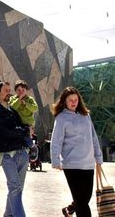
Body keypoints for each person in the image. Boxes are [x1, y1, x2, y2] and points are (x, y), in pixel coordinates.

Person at [50, 87, 103, 217]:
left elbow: (93, 137)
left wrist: (98, 157)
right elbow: (56, 140)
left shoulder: (86, 116)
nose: (73, 102)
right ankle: (74, 209)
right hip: (72, 165)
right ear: (65, 101)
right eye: (70, 100)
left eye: (76, 100)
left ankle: (69, 210)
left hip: (88, 164)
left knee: (84, 199)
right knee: (82, 204)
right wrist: (55, 160)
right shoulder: (61, 118)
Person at [0, 81, 29, 217]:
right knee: (15, 188)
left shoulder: (12, 109)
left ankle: (8, 215)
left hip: (21, 153)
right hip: (7, 155)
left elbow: (22, 125)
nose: (9, 93)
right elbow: (8, 131)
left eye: (9, 90)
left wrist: (24, 131)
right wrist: (24, 130)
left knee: (17, 189)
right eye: (5, 90)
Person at [9, 80, 38, 148]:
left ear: (26, 90)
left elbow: (35, 108)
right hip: (17, 123)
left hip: (27, 124)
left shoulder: (30, 99)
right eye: (19, 90)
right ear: (15, 91)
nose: (21, 92)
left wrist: (26, 104)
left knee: (26, 138)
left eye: (23, 90)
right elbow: (12, 107)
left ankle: (32, 146)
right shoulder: (13, 98)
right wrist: (19, 100)